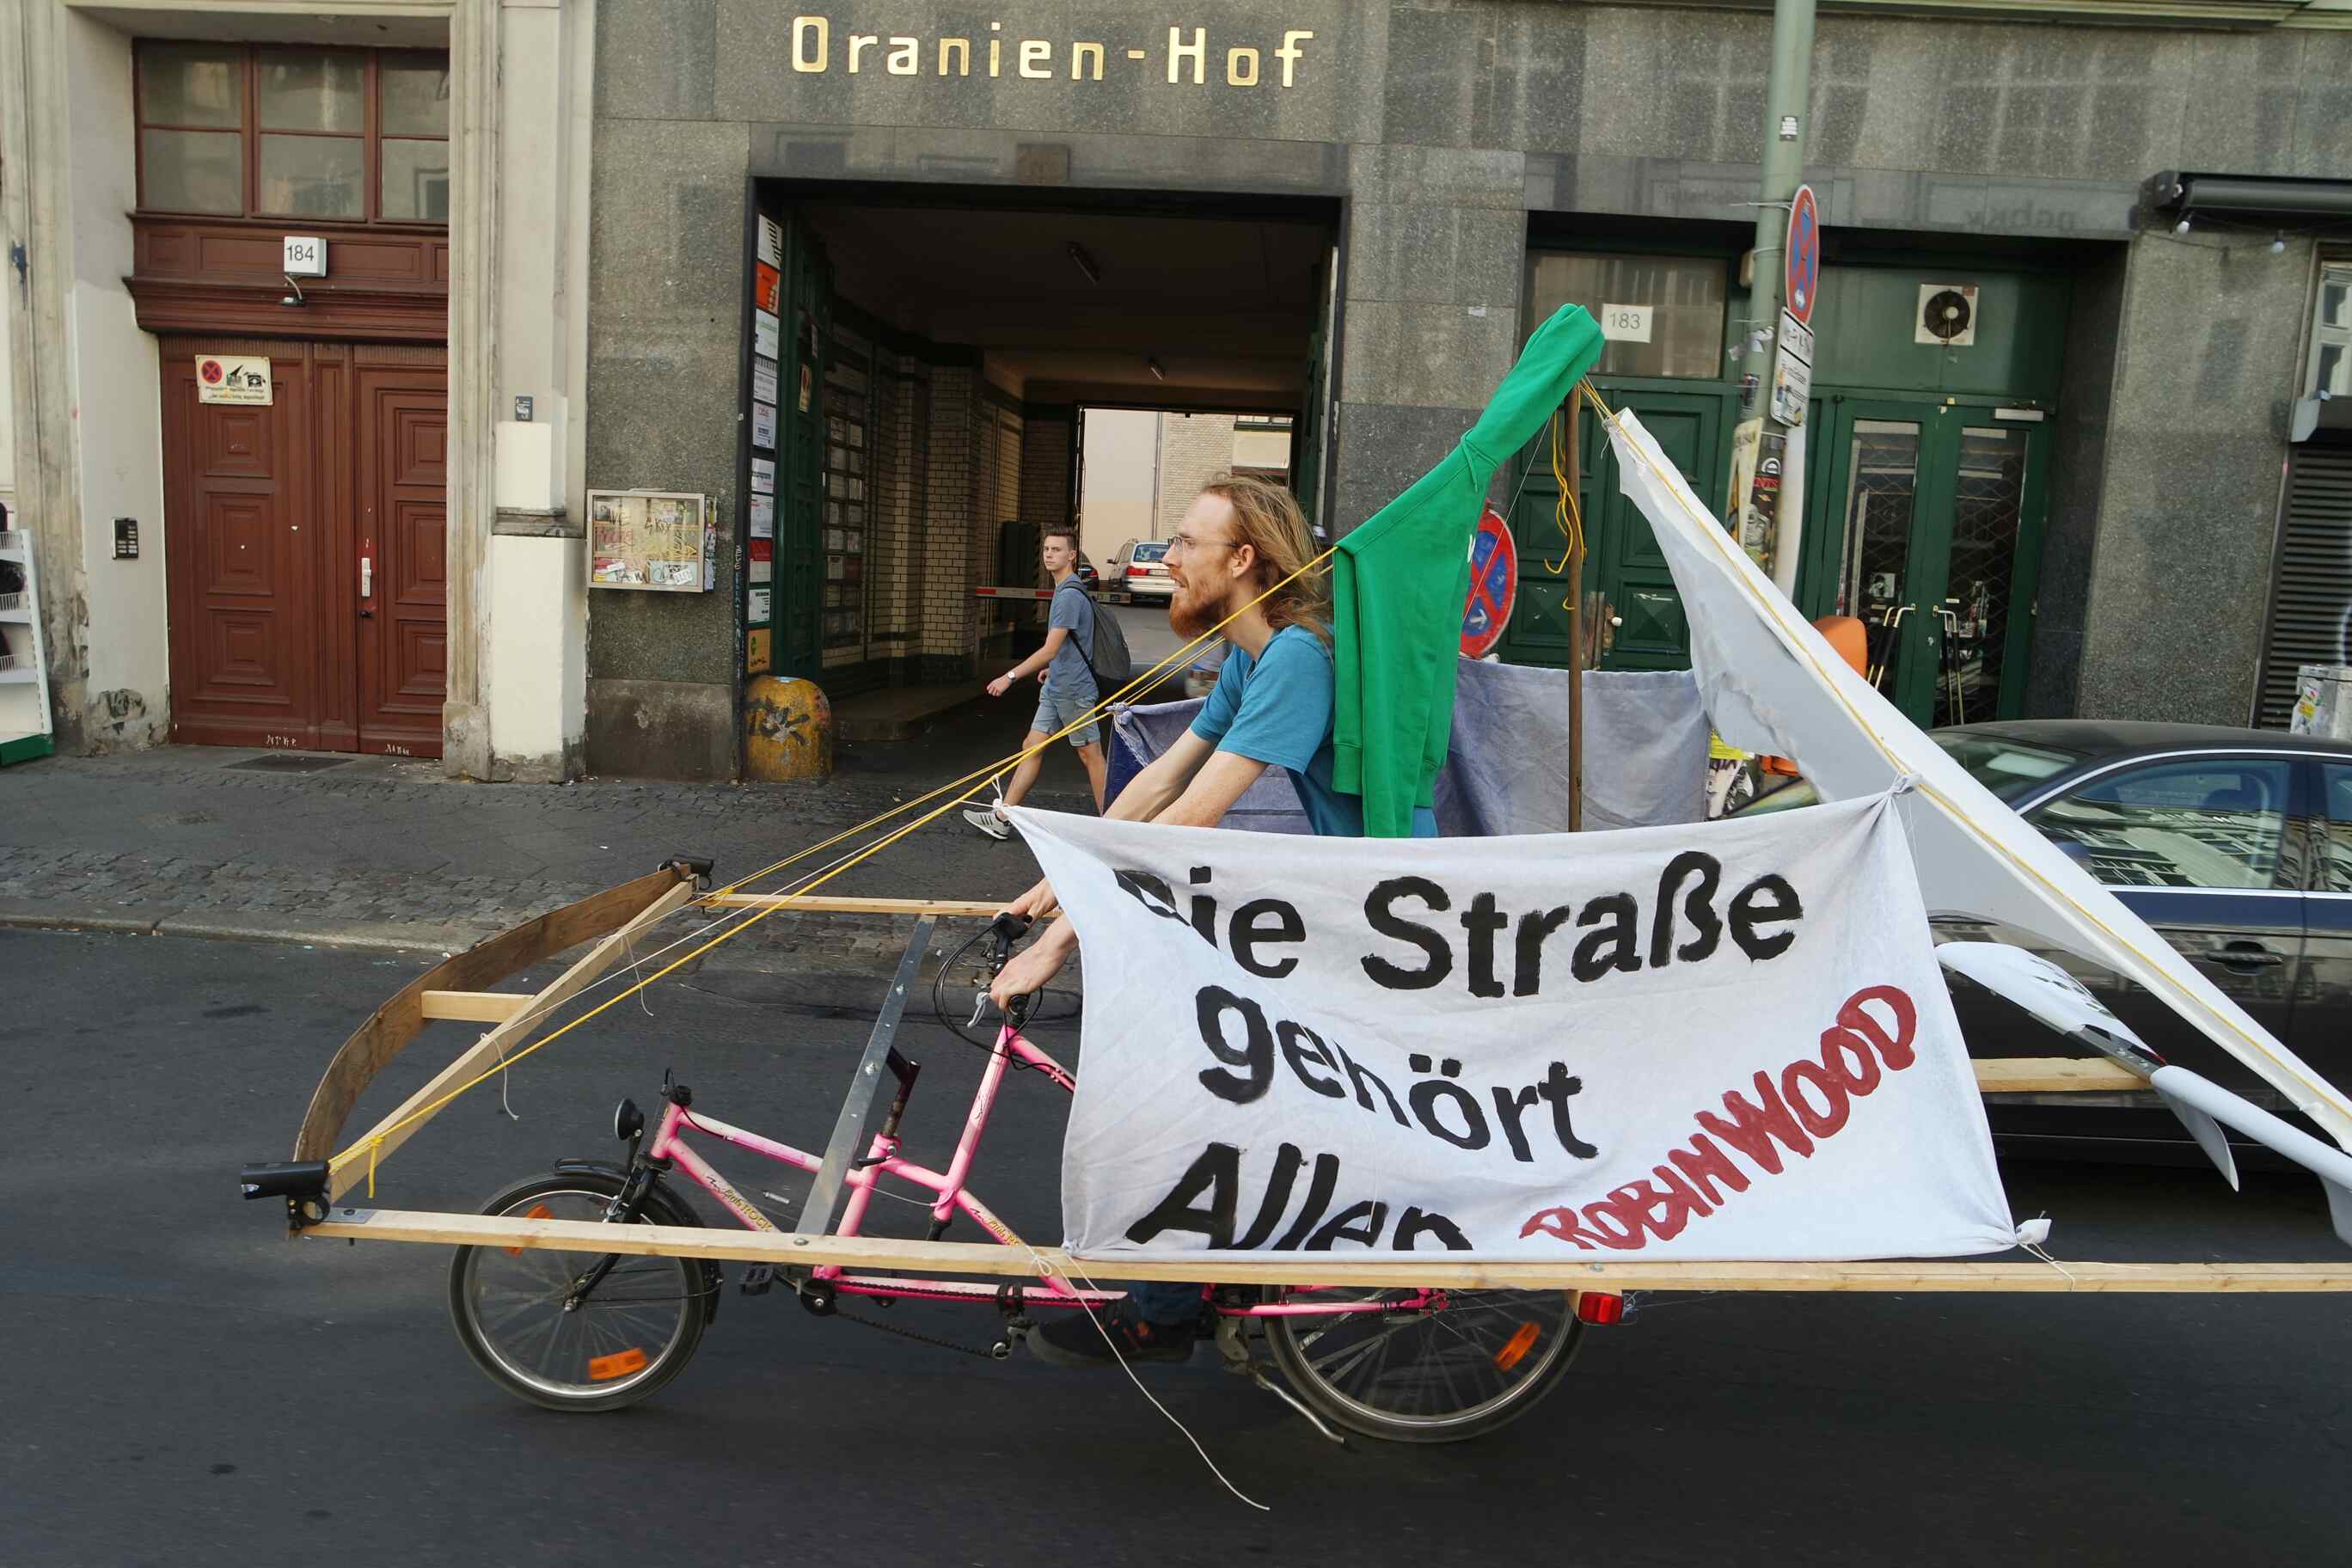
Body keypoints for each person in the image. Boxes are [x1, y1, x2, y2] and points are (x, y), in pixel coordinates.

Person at [987, 475, 1437, 1371]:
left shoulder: (1298, 659)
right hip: (1349, 909)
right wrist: (1060, 873)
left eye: (1188, 542)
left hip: (1381, 928)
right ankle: (1194, 1283)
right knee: (1212, 1075)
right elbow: (1156, 786)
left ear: (1242, 560)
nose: (1170, 557)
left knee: (1191, 1074)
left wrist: (1057, 937)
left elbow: (1194, 823)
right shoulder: (1250, 655)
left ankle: (1165, 1309)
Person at [965, 526, 1107, 836]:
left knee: (1091, 756)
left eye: (1056, 550)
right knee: (1032, 746)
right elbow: (1065, 646)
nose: (1049, 555)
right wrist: (1053, 668)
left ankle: (1114, 825)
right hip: (1058, 685)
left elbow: (1051, 648)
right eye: (1046, 549)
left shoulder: (1069, 594)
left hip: (1073, 690)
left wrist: (1009, 675)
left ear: (1071, 555)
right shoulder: (1065, 590)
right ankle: (1003, 818)